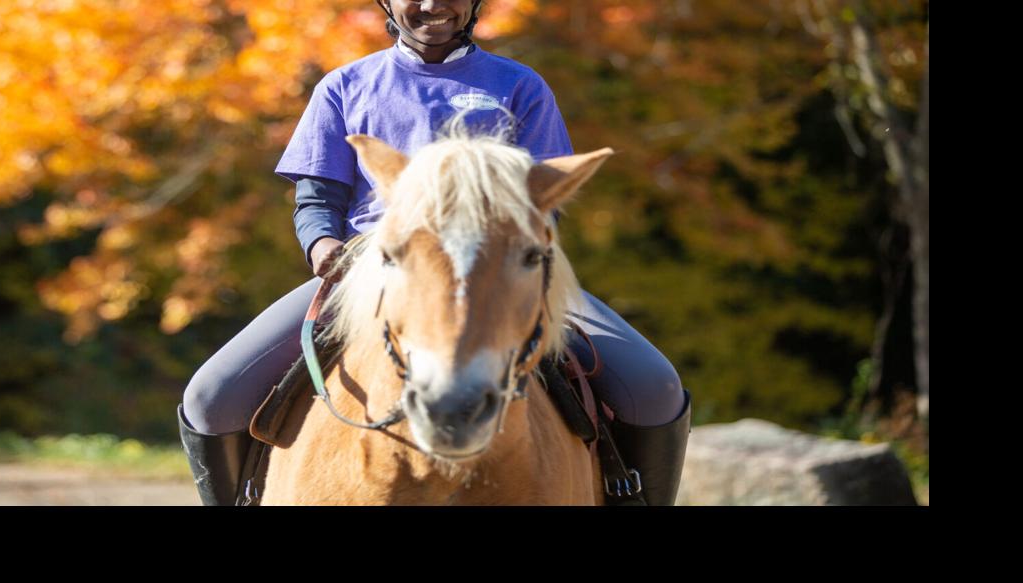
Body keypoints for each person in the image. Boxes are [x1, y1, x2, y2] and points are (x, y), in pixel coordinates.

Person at [177, 0, 691, 505]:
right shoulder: (344, 86)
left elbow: (542, 203)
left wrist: (513, 254)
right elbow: (316, 198)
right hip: (374, 270)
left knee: (655, 390)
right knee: (211, 398)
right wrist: (325, 245)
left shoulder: (520, 86)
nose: (431, 4)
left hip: (501, 267)